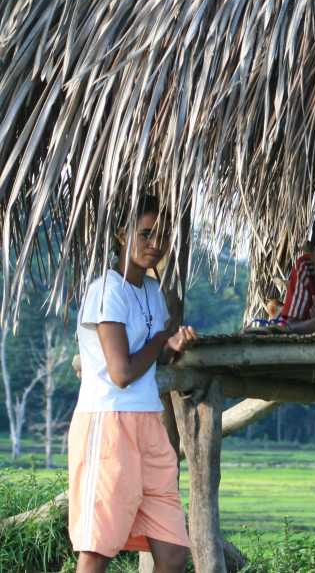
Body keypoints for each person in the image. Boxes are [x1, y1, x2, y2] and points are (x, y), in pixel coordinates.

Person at [68, 195, 195, 573]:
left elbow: (151, 357)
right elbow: (121, 373)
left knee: (172, 552)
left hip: (148, 423)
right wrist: (160, 340)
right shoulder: (107, 291)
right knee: (97, 550)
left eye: (162, 235)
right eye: (145, 233)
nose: (155, 243)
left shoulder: (153, 293)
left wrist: (172, 345)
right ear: (123, 234)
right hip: (108, 422)